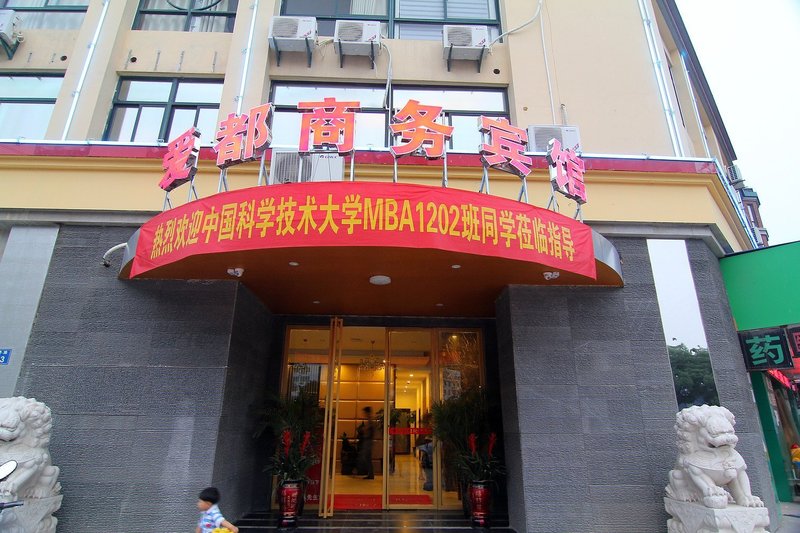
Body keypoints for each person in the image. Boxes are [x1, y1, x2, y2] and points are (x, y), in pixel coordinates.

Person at [358, 406, 376, 479]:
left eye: (364, 412)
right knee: (367, 457)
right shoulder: (369, 420)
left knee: (366, 457)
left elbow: (369, 431)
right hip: (368, 440)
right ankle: (370, 474)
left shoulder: (370, 421)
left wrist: (364, 430)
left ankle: (370, 474)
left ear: (367, 412)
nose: (364, 414)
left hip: (368, 441)